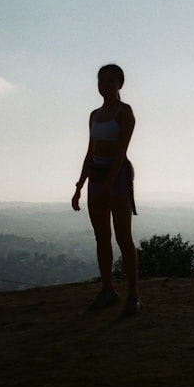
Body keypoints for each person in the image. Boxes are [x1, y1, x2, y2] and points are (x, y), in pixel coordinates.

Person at [71, 64, 141, 315]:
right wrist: (80, 186)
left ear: (120, 84)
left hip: (117, 178)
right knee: (102, 237)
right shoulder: (94, 115)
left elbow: (121, 152)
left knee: (123, 237)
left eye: (110, 81)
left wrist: (109, 185)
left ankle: (133, 294)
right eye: (101, 80)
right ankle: (108, 289)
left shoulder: (125, 112)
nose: (104, 85)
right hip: (96, 177)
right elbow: (90, 152)